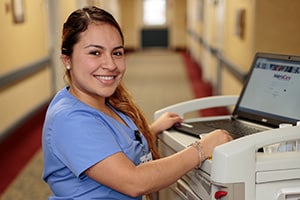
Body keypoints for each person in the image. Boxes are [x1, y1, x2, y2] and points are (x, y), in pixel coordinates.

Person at [42, 6, 232, 200]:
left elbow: (110, 144)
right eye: (95, 53)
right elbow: (134, 182)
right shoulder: (69, 119)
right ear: (67, 59)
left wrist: (151, 130)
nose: (111, 65)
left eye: (117, 53)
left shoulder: (104, 102)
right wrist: (201, 149)